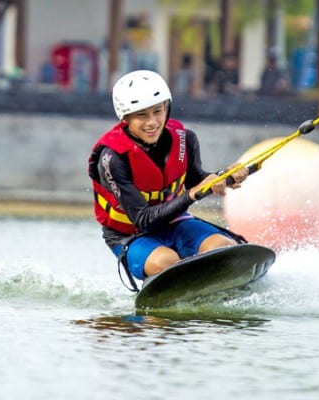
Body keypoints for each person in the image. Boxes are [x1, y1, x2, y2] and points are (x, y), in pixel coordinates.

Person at [87, 70, 249, 287]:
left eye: (157, 111)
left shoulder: (186, 140)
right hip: (131, 235)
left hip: (175, 223)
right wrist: (191, 195)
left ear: (166, 107)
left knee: (221, 247)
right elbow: (143, 219)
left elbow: (195, 179)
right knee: (168, 262)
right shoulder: (112, 159)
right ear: (126, 118)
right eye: (142, 115)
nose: (152, 122)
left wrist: (223, 177)